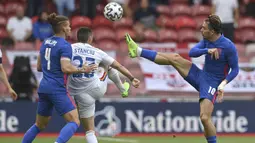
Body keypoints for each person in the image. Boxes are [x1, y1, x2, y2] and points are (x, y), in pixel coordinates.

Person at [125, 15, 239, 143]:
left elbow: (235, 70)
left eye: (204, 28)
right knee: (175, 58)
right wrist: (207, 50)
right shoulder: (207, 40)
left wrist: (223, 85)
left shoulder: (229, 47)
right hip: (200, 75)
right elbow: (192, 52)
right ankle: (138, 51)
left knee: (204, 118)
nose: (201, 30)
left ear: (212, 31)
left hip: (212, 83)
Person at [22, 13, 97, 143]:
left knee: (39, 125)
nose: (70, 28)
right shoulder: (65, 45)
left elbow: (39, 67)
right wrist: (82, 69)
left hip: (44, 87)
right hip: (57, 88)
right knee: (74, 121)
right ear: (62, 28)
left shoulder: (45, 42)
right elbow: (65, 68)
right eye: (68, 26)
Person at [67, 27, 140, 143]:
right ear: (90, 38)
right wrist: (132, 78)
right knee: (107, 65)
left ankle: (122, 88)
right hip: (96, 89)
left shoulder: (69, 49)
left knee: (89, 131)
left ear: (77, 38)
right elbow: (119, 66)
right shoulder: (97, 52)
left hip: (77, 94)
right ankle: (122, 88)